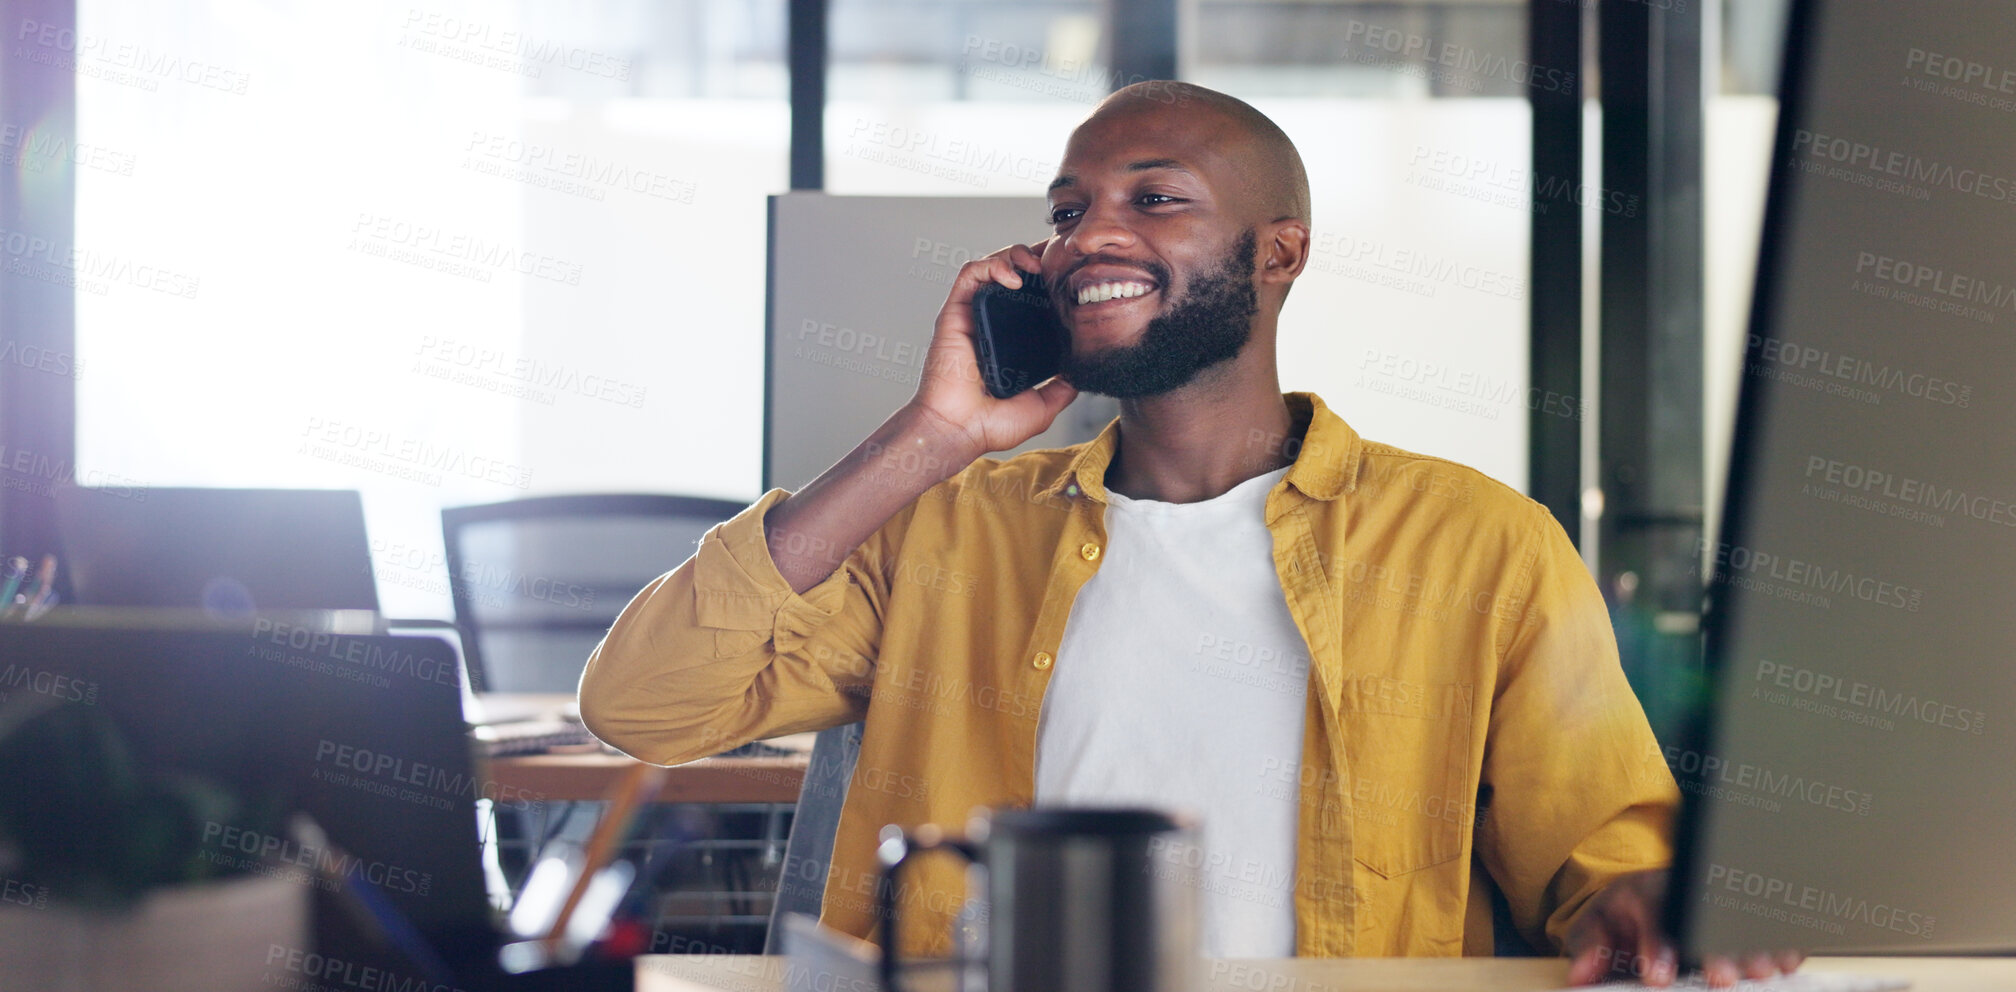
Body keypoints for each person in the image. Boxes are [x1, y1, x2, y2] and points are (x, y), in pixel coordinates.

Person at [580, 80, 1799, 986]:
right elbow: (645, 704)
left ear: (1281, 253)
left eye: (1154, 199)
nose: (1088, 235)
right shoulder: (945, 526)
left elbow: (1601, 844)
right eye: (1068, 209)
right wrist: (934, 434)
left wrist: (1643, 894)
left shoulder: (1480, 544)